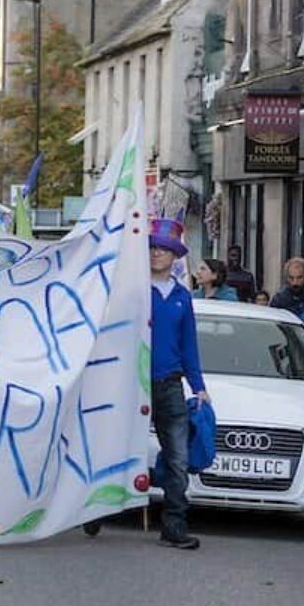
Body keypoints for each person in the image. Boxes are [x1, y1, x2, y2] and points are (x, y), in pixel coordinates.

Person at [121, 217, 210, 548]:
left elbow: (189, 346)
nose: (157, 254)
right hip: (131, 380)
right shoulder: (131, 290)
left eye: (165, 249)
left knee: (177, 456)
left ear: (175, 257)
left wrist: (198, 385)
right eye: (153, 248)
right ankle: (98, 509)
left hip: (169, 384)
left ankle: (174, 524)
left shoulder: (182, 297)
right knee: (115, 447)